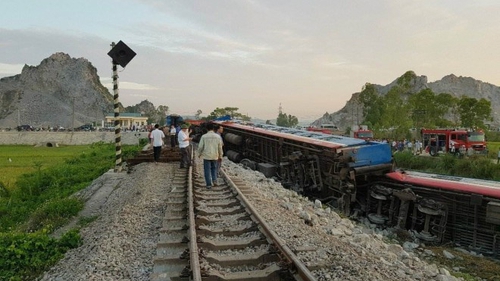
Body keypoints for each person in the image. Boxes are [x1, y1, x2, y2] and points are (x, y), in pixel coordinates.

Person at [197, 123, 223, 188]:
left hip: (206, 156)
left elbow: (200, 147)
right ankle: (214, 180)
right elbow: (220, 147)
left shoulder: (204, 136)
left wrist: (199, 154)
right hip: (215, 156)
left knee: (207, 170)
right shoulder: (218, 137)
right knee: (214, 168)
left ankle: (208, 184)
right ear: (213, 129)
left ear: (207, 129)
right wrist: (220, 155)